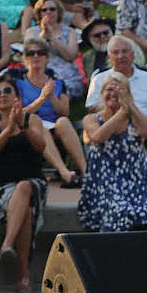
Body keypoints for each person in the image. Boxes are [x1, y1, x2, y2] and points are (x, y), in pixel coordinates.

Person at [0, 72, 47, 293]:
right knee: (24, 206)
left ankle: (7, 245)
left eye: (7, 91)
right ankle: (24, 275)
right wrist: (8, 130)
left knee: (25, 187)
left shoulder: (31, 120)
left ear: (18, 96)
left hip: (33, 182)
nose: (2, 96)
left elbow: (41, 147)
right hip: (1, 186)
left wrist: (21, 127)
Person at [85, 35, 147, 175]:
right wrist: (117, 106)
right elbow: (91, 108)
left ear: (133, 55)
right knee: (128, 119)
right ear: (110, 57)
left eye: (125, 51)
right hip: (116, 123)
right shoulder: (101, 78)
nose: (121, 56)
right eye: (116, 52)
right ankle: (145, 163)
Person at [77, 72, 147, 233]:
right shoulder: (92, 119)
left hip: (135, 182)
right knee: (120, 210)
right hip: (105, 183)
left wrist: (131, 107)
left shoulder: (135, 119)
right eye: (109, 90)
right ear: (102, 94)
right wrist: (121, 113)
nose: (113, 94)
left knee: (143, 212)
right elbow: (98, 136)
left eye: (119, 90)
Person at [16, 36, 86, 188]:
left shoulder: (58, 82)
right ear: (25, 57)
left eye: (40, 53)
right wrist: (41, 98)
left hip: (54, 126)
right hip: (29, 128)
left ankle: (86, 172)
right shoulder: (18, 83)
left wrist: (52, 96)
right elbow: (19, 114)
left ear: (46, 57)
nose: (35, 56)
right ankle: (64, 172)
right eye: (31, 53)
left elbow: (64, 111)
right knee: (40, 125)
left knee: (63, 122)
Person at [26, 0, 84, 98]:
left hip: (66, 73)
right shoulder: (31, 32)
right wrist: (43, 34)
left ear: (59, 12)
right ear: (39, 13)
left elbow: (71, 56)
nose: (48, 12)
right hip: (41, 71)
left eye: (52, 9)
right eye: (44, 10)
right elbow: (31, 55)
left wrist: (52, 38)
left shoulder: (70, 31)